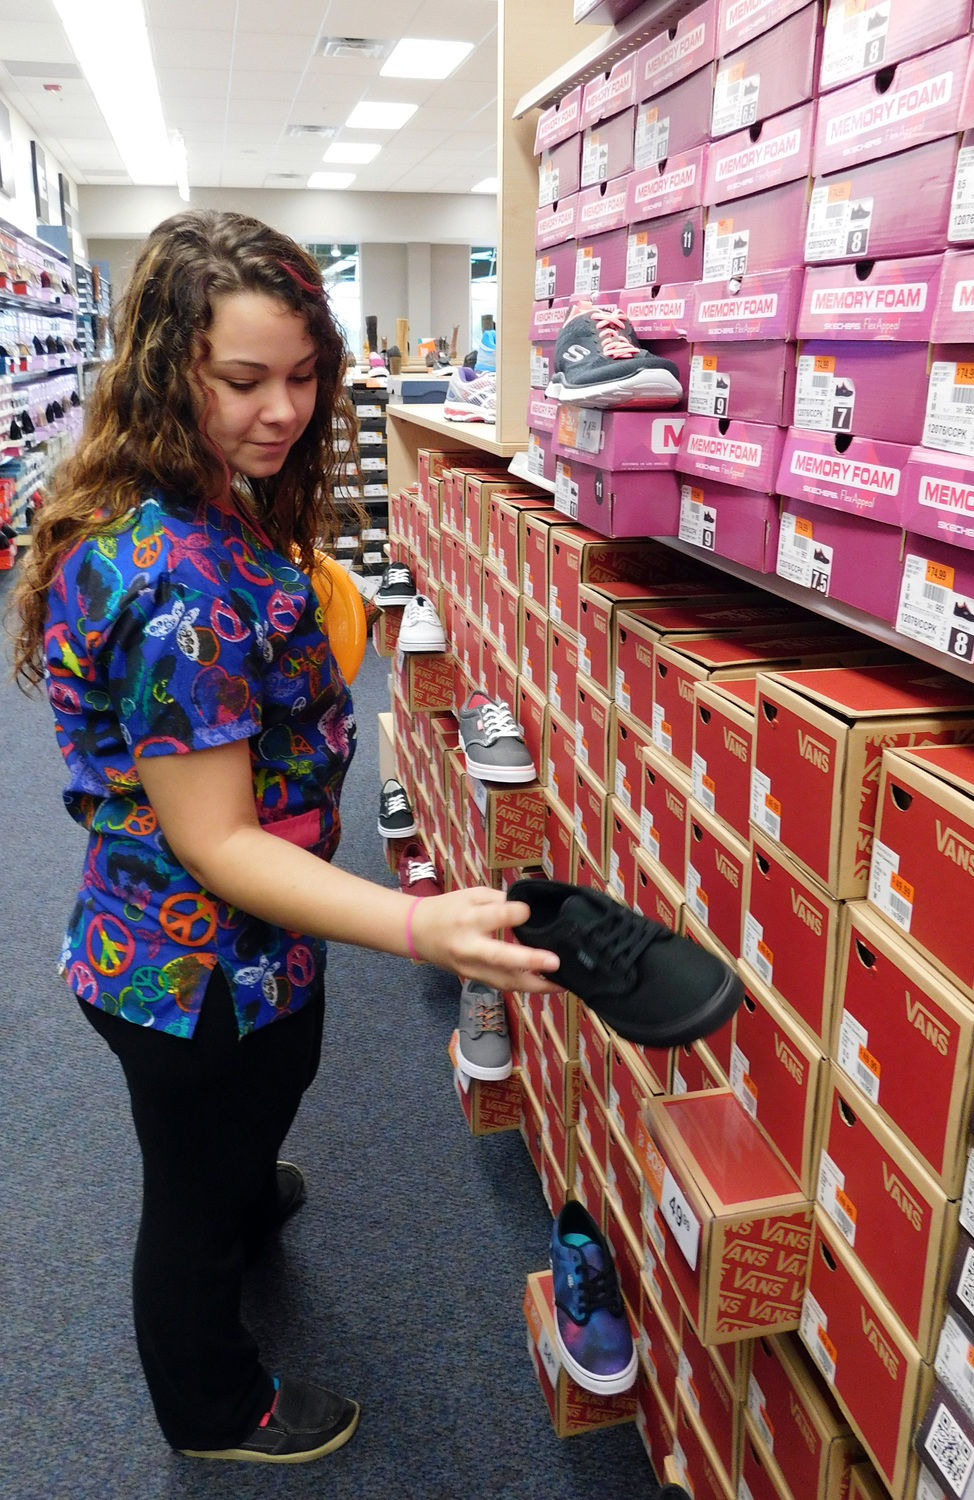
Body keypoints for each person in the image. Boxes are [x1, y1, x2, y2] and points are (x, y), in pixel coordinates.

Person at [10, 209, 559, 1465]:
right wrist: (420, 922)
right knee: (192, 1197)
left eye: (306, 375)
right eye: (245, 380)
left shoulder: (206, 499)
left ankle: (252, 1183)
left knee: (255, 1114)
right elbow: (216, 842)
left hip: (228, 943)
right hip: (192, 957)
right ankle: (213, 1409)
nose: (286, 410)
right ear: (167, 371)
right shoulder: (173, 578)